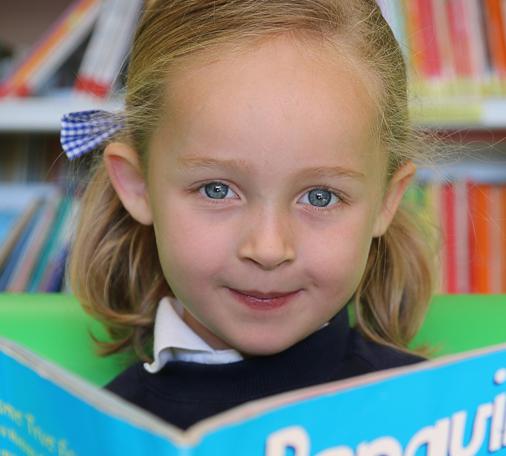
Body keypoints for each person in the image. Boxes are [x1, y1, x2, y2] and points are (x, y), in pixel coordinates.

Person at [61, 0, 437, 431]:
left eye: (320, 197)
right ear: (137, 185)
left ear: (387, 201)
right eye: (217, 190)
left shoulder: (437, 418)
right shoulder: (96, 433)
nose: (269, 249)